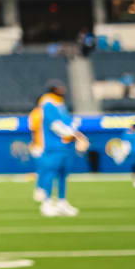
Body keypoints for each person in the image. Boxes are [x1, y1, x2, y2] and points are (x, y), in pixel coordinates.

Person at [32, 84, 88, 217]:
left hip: (65, 146)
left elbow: (68, 123)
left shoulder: (60, 104)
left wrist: (76, 132)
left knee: (63, 174)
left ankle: (62, 202)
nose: (63, 90)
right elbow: (55, 126)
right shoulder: (48, 104)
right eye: (60, 88)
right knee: (50, 173)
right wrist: (73, 134)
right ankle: (47, 203)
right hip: (53, 146)